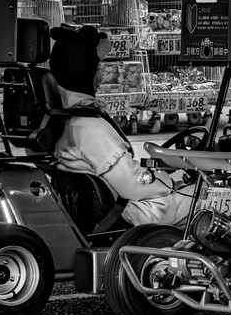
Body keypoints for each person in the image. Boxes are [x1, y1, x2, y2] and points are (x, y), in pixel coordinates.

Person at [47, 24, 193, 227]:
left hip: (112, 207)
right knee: (203, 198)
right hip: (129, 213)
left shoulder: (65, 118)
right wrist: (169, 182)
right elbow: (132, 184)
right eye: (97, 70)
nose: (100, 78)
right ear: (83, 72)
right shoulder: (89, 127)